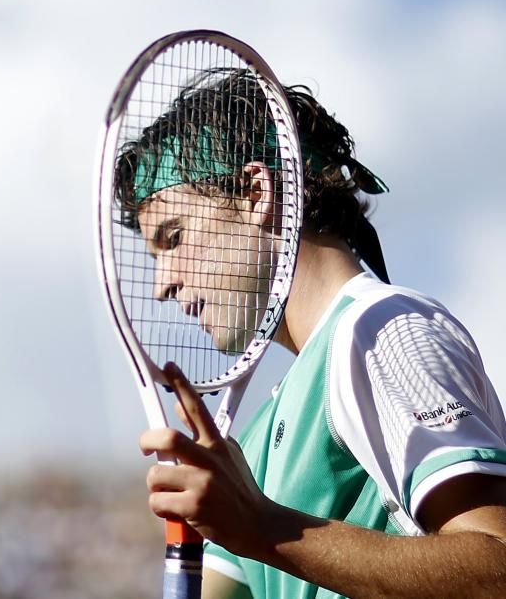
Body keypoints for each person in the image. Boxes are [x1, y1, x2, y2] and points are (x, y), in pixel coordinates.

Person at [118, 71, 506, 598]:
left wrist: (263, 528)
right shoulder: (250, 444)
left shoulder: (383, 328)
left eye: (175, 237)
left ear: (257, 192)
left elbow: (497, 566)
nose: (162, 283)